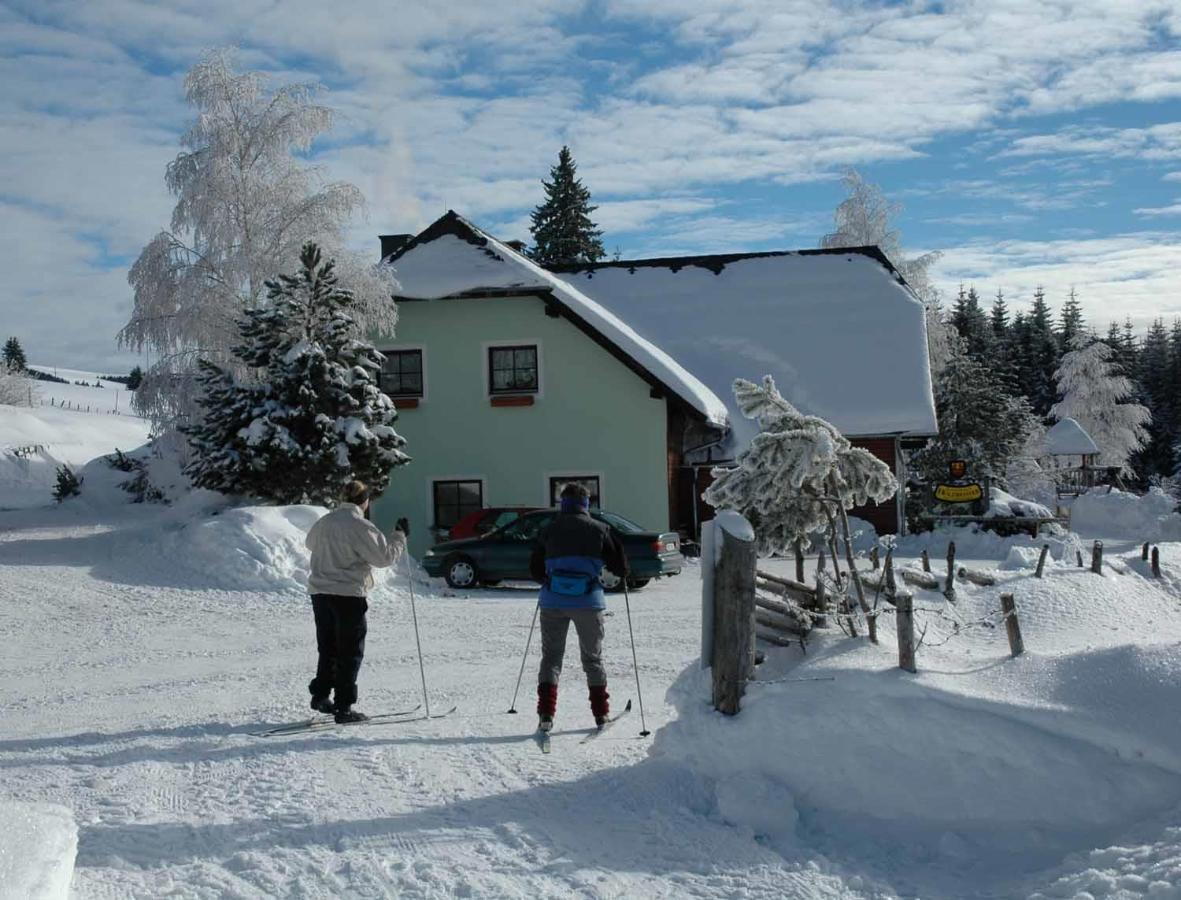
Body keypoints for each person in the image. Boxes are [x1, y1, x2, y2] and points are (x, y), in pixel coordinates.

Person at [305, 480, 409, 723]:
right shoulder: (361, 525)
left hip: (320, 593)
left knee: (328, 646)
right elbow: (384, 557)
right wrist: (399, 536)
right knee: (350, 650)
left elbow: (309, 543)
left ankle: (321, 695)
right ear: (365, 501)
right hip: (348, 594)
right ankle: (344, 706)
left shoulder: (325, 522)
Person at [529, 482, 629, 731]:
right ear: (586, 504)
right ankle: (600, 715)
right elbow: (621, 568)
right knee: (592, 659)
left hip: (553, 602)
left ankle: (546, 715)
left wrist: (549, 579)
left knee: (551, 658)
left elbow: (534, 568)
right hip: (588, 602)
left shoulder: (549, 529)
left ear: (562, 503)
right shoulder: (601, 529)